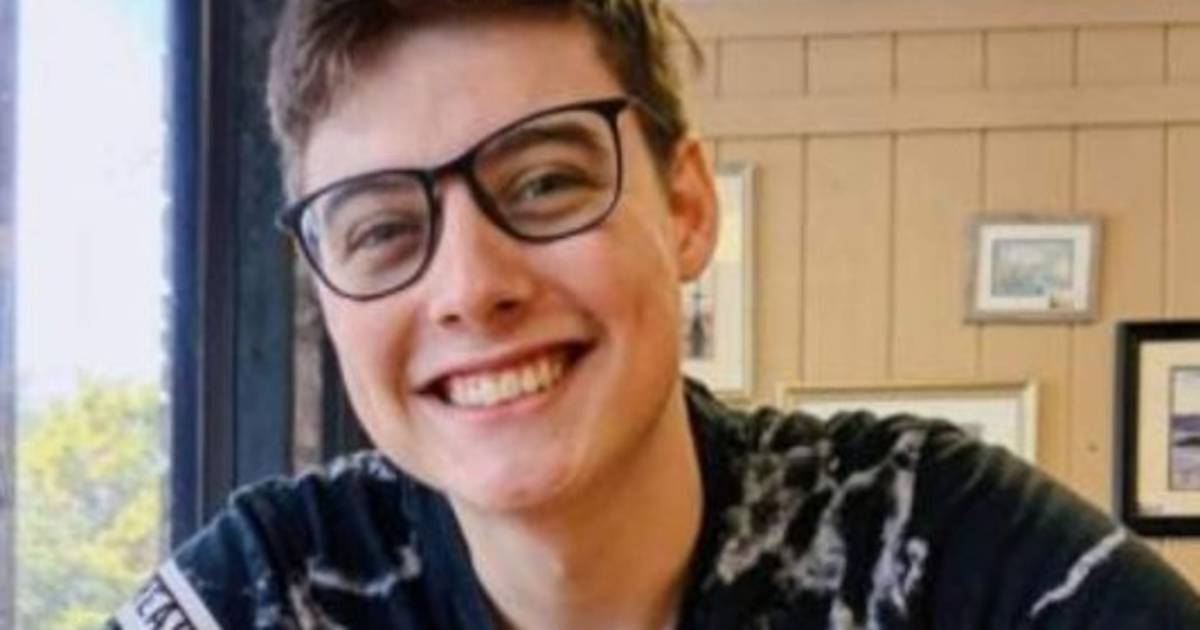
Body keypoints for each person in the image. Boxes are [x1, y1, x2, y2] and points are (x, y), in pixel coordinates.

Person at [109, 1, 1200, 628]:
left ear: (685, 209)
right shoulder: (272, 590)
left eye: (545, 182)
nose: (471, 286)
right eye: (383, 229)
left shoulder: (923, 536)